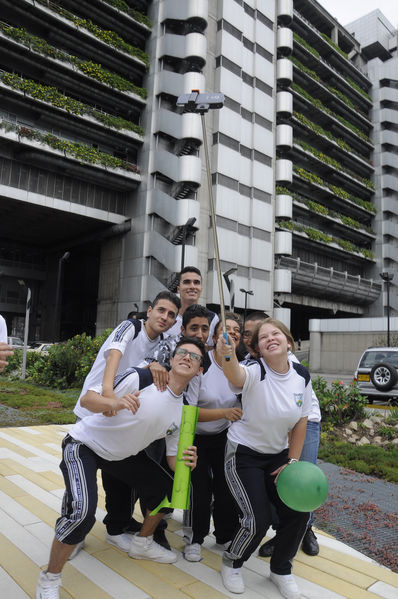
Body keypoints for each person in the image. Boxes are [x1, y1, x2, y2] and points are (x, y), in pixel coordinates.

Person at [36, 337, 204, 599]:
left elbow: (173, 460)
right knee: (81, 514)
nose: (187, 357)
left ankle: (142, 543)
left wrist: (188, 461)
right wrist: (113, 402)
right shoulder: (140, 378)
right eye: (182, 352)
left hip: (122, 456)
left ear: (199, 370)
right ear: (170, 360)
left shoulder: (182, 412)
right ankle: (50, 578)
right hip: (84, 445)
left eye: (194, 357)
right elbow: (88, 399)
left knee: (165, 491)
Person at [72, 290, 180, 552]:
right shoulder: (130, 327)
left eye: (171, 315)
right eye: (161, 310)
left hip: (121, 418)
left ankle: (116, 525)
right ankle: (74, 535)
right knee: (79, 483)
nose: (165, 317)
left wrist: (156, 366)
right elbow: (114, 356)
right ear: (150, 310)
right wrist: (108, 394)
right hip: (94, 408)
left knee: (118, 478)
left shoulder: (164, 345)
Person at [217, 318, 312, 599]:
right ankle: (232, 562)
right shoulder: (254, 370)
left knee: (299, 512)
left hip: (278, 456)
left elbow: (301, 421)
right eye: (263, 337)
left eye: (276, 334)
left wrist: (292, 463)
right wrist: (226, 353)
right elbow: (234, 376)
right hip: (244, 454)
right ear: (257, 348)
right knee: (256, 519)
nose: (270, 338)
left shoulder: (301, 375)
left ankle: (281, 570)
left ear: (288, 341)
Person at [183, 313, 243, 562]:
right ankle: (196, 538)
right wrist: (224, 413)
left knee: (225, 485)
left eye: (236, 329)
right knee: (201, 488)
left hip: (223, 436)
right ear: (216, 336)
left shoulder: (241, 367)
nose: (232, 332)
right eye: (226, 328)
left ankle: (224, 534)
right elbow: (189, 411)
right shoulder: (202, 364)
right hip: (195, 436)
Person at [165, 267, 219, 345]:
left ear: (201, 288)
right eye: (187, 282)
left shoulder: (212, 318)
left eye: (196, 282)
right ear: (178, 289)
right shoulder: (167, 316)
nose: (192, 286)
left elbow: (212, 349)